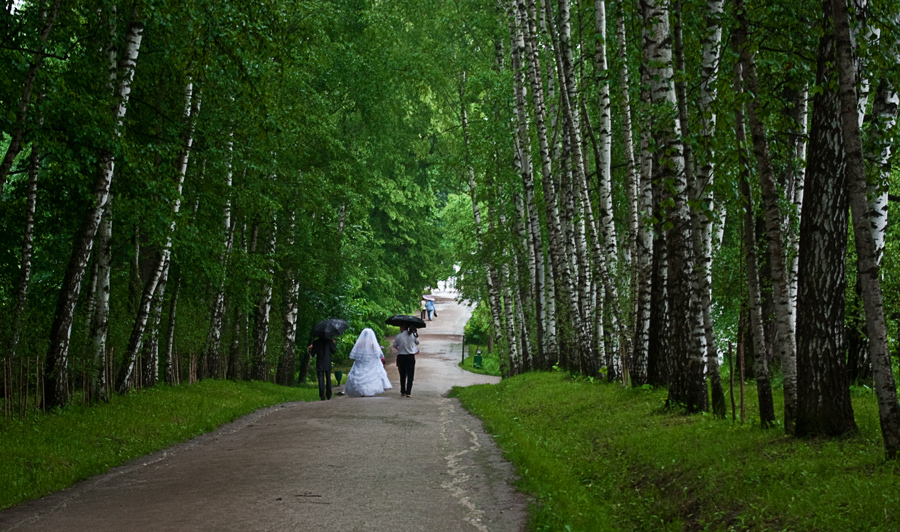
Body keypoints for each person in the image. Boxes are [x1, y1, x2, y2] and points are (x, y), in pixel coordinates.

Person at [343, 328, 392, 397]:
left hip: (361, 362)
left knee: (361, 375)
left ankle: (361, 390)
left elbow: (356, 353)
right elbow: (378, 353)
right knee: (371, 376)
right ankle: (370, 391)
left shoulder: (360, 342)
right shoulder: (372, 343)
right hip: (371, 362)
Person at [392, 325, 419, 398]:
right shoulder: (412, 335)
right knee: (410, 374)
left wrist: (400, 349)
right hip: (410, 356)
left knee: (402, 374)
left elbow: (394, 345)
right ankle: (408, 392)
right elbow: (417, 342)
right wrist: (415, 333)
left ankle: (402, 391)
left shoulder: (398, 336)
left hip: (401, 356)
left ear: (402, 328)